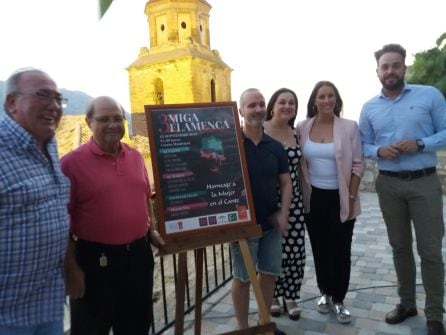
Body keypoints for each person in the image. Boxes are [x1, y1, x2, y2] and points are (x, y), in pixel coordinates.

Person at [359, 43, 446, 335]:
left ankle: (435, 314)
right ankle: (406, 303)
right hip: (389, 184)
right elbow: (364, 144)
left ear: (404, 68)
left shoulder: (429, 95)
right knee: (399, 248)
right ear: (377, 72)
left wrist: (421, 143)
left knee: (431, 250)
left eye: (395, 65)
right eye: (385, 67)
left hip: (424, 182)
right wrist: (379, 151)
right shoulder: (369, 107)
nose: (390, 71)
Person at [61, 96, 165, 335]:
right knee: (92, 327)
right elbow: (61, 221)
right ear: (89, 122)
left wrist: (151, 230)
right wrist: (71, 269)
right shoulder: (70, 164)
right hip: (95, 260)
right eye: (104, 119)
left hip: (138, 256)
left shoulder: (136, 157)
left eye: (118, 118)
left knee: (136, 324)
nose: (112, 124)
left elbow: (144, 197)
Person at [0, 68, 70, 335]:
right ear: (11, 102)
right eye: (42, 96)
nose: (53, 106)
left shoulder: (48, 144)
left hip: (47, 304)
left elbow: (55, 213)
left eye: (58, 99)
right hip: (8, 316)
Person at [297, 81, 364, 324]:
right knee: (320, 248)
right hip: (314, 198)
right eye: (321, 96)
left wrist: (351, 196)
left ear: (336, 100)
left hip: (342, 197)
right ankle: (325, 292)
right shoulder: (302, 127)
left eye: (330, 96)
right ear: (314, 101)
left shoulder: (349, 127)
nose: (326, 100)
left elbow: (358, 164)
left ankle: (339, 298)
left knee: (341, 250)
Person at [230, 88, 292, 335]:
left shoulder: (274, 146)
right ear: (241, 110)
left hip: (270, 222)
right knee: (243, 279)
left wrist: (284, 213)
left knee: (269, 275)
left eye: (261, 104)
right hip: (242, 225)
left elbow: (286, 182)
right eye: (251, 105)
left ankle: (263, 324)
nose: (257, 109)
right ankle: (243, 329)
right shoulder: (231, 144)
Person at [263, 88, 306, 321]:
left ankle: (291, 295)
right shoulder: (260, 131)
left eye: (292, 103)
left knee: (295, 250)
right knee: (272, 250)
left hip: (295, 200)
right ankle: (275, 295)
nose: (287, 106)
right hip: (268, 200)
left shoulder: (296, 133)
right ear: (273, 106)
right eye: (282, 102)